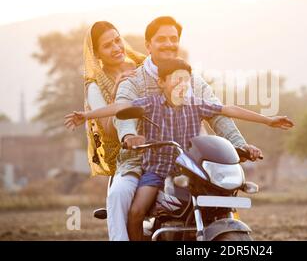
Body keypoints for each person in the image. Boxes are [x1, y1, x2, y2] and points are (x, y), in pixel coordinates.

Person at [65, 58, 294, 241]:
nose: (182, 84)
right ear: (163, 82)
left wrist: (267, 120)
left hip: (189, 171)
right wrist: (86, 115)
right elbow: (121, 106)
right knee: (136, 212)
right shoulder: (151, 103)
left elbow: (228, 109)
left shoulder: (195, 105)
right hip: (157, 169)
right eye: (176, 80)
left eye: (186, 80)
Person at [104, 16, 263, 240]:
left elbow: (218, 113)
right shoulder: (134, 81)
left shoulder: (193, 81)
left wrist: (239, 144)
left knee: (220, 191)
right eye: (161, 39)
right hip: (142, 160)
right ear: (148, 45)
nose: (169, 43)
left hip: (190, 160)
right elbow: (123, 113)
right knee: (119, 194)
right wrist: (129, 134)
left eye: (173, 38)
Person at [75, 21, 145, 176]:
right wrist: (116, 93)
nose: (116, 48)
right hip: (127, 156)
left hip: (162, 143)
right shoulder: (95, 86)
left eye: (117, 40)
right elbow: (107, 129)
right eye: (107, 46)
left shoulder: (143, 66)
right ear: (97, 54)